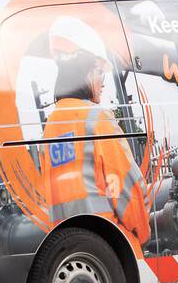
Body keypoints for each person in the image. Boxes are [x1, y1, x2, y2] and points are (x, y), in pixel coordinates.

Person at [40, 48, 151, 249]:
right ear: (86, 75)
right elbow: (125, 182)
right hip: (113, 242)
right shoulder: (96, 119)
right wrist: (143, 231)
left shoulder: (50, 128)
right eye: (99, 72)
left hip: (68, 246)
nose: (103, 81)